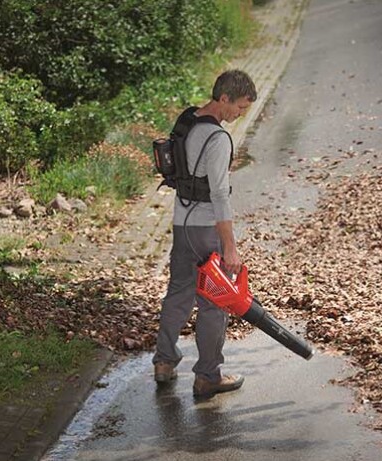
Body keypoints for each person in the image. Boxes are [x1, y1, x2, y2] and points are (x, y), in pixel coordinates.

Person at [152, 70, 256, 399]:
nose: (240, 115)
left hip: (182, 223)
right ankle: (208, 376)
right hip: (205, 228)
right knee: (214, 301)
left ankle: (164, 363)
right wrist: (230, 247)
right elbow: (219, 196)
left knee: (179, 293)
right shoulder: (218, 139)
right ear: (223, 98)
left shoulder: (188, 121)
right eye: (239, 108)